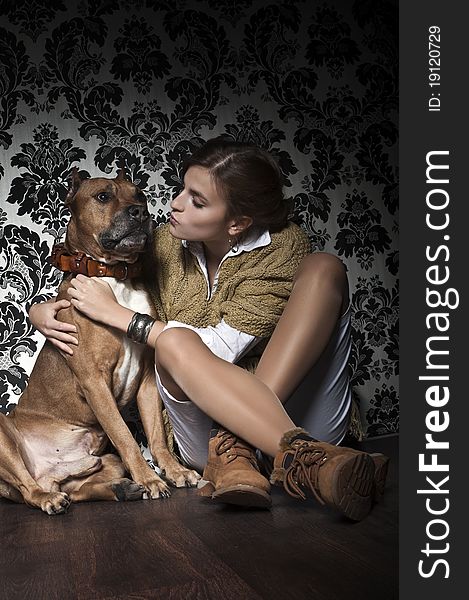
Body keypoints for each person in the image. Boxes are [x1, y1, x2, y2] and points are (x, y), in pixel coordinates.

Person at [29, 137, 386, 521]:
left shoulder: (283, 246)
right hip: (205, 435)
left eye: (196, 201)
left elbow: (219, 348)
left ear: (238, 222)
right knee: (173, 340)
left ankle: (248, 447)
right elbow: (96, 258)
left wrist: (124, 318)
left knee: (325, 267)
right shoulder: (161, 243)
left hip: (296, 414)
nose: (174, 204)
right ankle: (311, 465)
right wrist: (40, 309)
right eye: (182, 189)